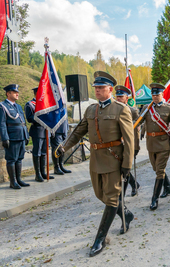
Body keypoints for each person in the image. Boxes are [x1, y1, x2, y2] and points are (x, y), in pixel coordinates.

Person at [55, 71, 135, 256]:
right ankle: (126, 214)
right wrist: (64, 147)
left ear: (110, 89)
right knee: (101, 195)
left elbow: (129, 140)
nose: (97, 90)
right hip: (96, 160)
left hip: (114, 160)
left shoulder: (121, 109)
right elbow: (78, 132)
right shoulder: (91, 110)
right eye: (95, 88)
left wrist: (127, 165)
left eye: (100, 88)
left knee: (112, 198)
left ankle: (100, 239)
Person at [138, 83, 170, 210]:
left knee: (160, 171)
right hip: (151, 144)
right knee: (156, 169)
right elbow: (141, 120)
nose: (155, 97)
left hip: (163, 143)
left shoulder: (168, 108)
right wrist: (138, 129)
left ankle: (154, 199)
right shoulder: (147, 107)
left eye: (157, 95)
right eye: (153, 95)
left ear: (162, 95)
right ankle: (168, 187)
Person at [0, 84, 30, 189]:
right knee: (11, 159)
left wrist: (26, 135)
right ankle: (13, 182)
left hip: (21, 135)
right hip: (12, 136)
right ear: (8, 94)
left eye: (17, 92)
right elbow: (2, 123)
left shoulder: (18, 106)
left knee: (20, 159)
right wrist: (5, 138)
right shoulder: (2, 106)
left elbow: (23, 122)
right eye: (14, 92)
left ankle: (19, 179)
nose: (17, 94)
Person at [115, 85, 141, 197]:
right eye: (117, 96)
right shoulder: (113, 109)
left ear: (127, 98)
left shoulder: (132, 111)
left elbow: (137, 128)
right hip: (118, 145)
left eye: (121, 97)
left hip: (129, 145)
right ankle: (134, 184)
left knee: (125, 169)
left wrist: (136, 146)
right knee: (122, 169)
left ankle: (121, 198)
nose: (118, 99)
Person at [25, 87, 54, 182]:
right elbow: (29, 118)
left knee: (44, 153)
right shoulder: (30, 104)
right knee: (37, 152)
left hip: (46, 130)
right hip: (37, 131)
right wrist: (41, 116)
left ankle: (43, 172)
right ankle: (37, 174)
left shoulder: (46, 104)